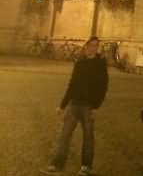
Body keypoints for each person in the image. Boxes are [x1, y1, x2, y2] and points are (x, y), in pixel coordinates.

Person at [40, 35, 108, 176]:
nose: (94, 48)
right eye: (92, 45)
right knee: (64, 135)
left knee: (88, 137)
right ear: (87, 46)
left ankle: (86, 166)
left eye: (96, 45)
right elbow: (72, 84)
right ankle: (56, 165)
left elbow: (103, 87)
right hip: (75, 104)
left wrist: (97, 106)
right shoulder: (79, 63)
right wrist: (62, 105)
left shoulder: (100, 64)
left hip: (89, 106)